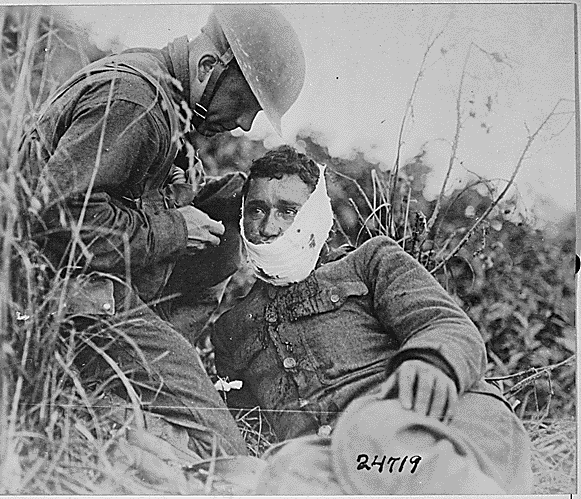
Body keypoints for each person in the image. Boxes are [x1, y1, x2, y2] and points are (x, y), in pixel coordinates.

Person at [19, 6, 305, 458]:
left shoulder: (165, 97)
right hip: (53, 294)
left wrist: (198, 195)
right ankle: (134, 377)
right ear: (210, 67)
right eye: (244, 104)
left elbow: (112, 195)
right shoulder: (137, 101)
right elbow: (55, 220)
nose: (246, 125)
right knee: (224, 445)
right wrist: (175, 228)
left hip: (89, 281)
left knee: (230, 212)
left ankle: (149, 366)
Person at [211, 145, 533, 493]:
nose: (270, 227)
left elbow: (443, 323)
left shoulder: (369, 261)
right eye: (257, 210)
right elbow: (241, 416)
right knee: (285, 471)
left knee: (375, 429)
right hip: (335, 455)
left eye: (289, 211)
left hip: (429, 420)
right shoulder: (232, 327)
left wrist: (431, 363)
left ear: (315, 216)